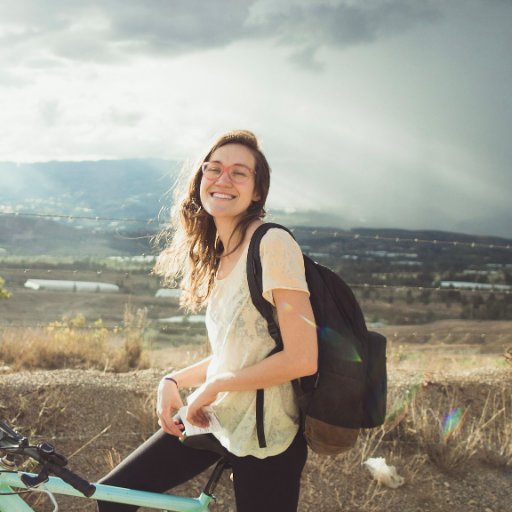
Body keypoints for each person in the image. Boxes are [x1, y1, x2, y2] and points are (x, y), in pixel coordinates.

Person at [96, 130, 318, 512]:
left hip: (267, 436)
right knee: (114, 497)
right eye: (213, 169)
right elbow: (240, 353)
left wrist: (213, 386)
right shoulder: (220, 253)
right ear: (200, 179)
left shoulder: (272, 243)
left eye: (239, 173)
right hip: (218, 417)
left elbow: (302, 357)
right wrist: (175, 380)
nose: (222, 179)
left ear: (257, 191)